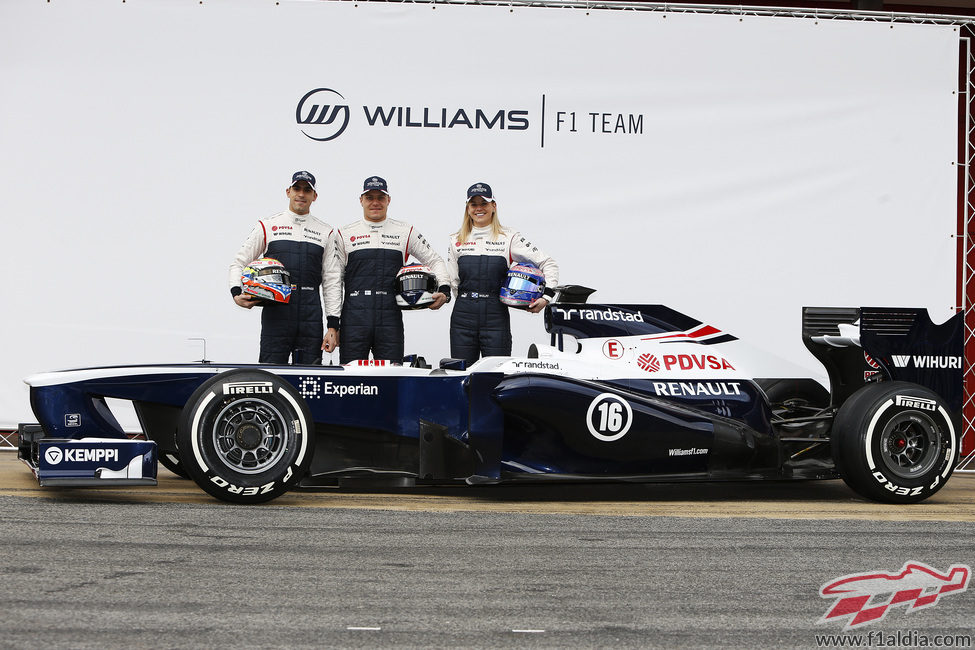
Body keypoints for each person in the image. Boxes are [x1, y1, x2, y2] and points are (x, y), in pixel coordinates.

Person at [324, 176, 450, 363]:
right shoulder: (344, 233)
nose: (375, 202)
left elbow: (435, 260)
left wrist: (444, 290)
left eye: (380, 198)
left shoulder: (405, 231)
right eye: (370, 198)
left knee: (391, 375)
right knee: (350, 379)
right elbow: (334, 279)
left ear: (388, 200)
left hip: (390, 315)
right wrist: (333, 324)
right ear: (361, 200)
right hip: (354, 316)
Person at [228, 170, 334, 365]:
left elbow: (331, 280)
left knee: (310, 379)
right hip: (276, 312)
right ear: (288, 192)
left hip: (310, 312)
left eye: (307, 190)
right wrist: (236, 292)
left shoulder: (325, 232)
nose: (301, 194)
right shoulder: (268, 226)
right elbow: (239, 262)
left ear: (314, 196)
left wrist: (333, 324)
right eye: (297, 188)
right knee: (271, 375)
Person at [447, 182, 559, 364]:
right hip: (462, 316)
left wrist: (546, 296)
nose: (479, 208)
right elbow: (453, 281)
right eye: (474, 204)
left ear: (493, 206)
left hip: (495, 315)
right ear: (468, 208)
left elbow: (548, 263)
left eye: (484, 203)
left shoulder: (509, 237)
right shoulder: (456, 240)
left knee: (496, 375)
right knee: (461, 374)